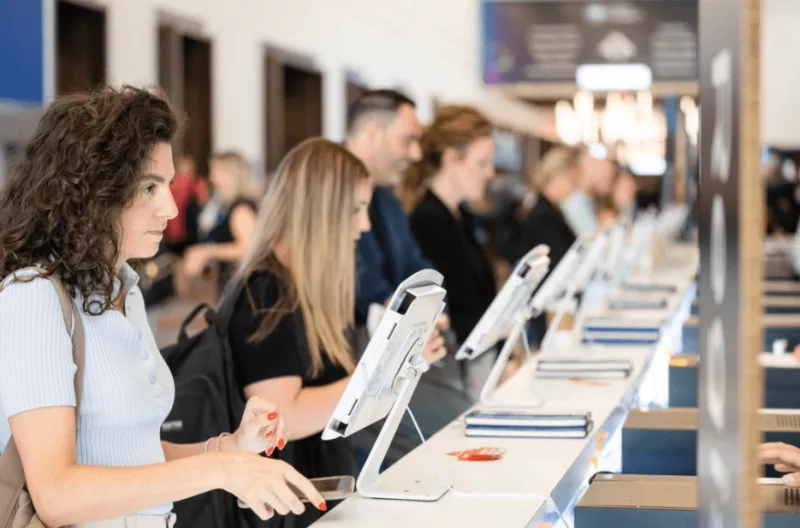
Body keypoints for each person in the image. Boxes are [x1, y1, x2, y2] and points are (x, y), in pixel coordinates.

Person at [0, 85, 325, 527]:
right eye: (148, 187)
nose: (170, 207)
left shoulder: (123, 290)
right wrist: (220, 470)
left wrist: (227, 449)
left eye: (168, 185)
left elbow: (135, 454)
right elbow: (56, 494)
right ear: (94, 192)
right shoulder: (32, 297)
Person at [224, 137, 443, 528]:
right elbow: (280, 418)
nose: (365, 224)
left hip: (319, 494)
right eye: (356, 209)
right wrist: (384, 369)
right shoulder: (267, 292)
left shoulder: (306, 288)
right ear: (320, 212)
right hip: (290, 505)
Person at [344, 89, 448, 340]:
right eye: (408, 140)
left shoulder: (388, 199)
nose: (416, 154)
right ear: (372, 133)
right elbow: (353, 279)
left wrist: (431, 305)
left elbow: (413, 262)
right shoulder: (323, 191)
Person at [402, 104, 497, 345]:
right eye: (482, 163)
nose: (490, 173)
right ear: (451, 158)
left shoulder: (461, 216)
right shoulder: (429, 222)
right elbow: (452, 311)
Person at [183, 151, 260, 293]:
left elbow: (248, 248)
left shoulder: (241, 208)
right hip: (233, 283)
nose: (211, 178)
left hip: (244, 287)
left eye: (215, 172)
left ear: (230, 175)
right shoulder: (228, 205)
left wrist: (207, 251)